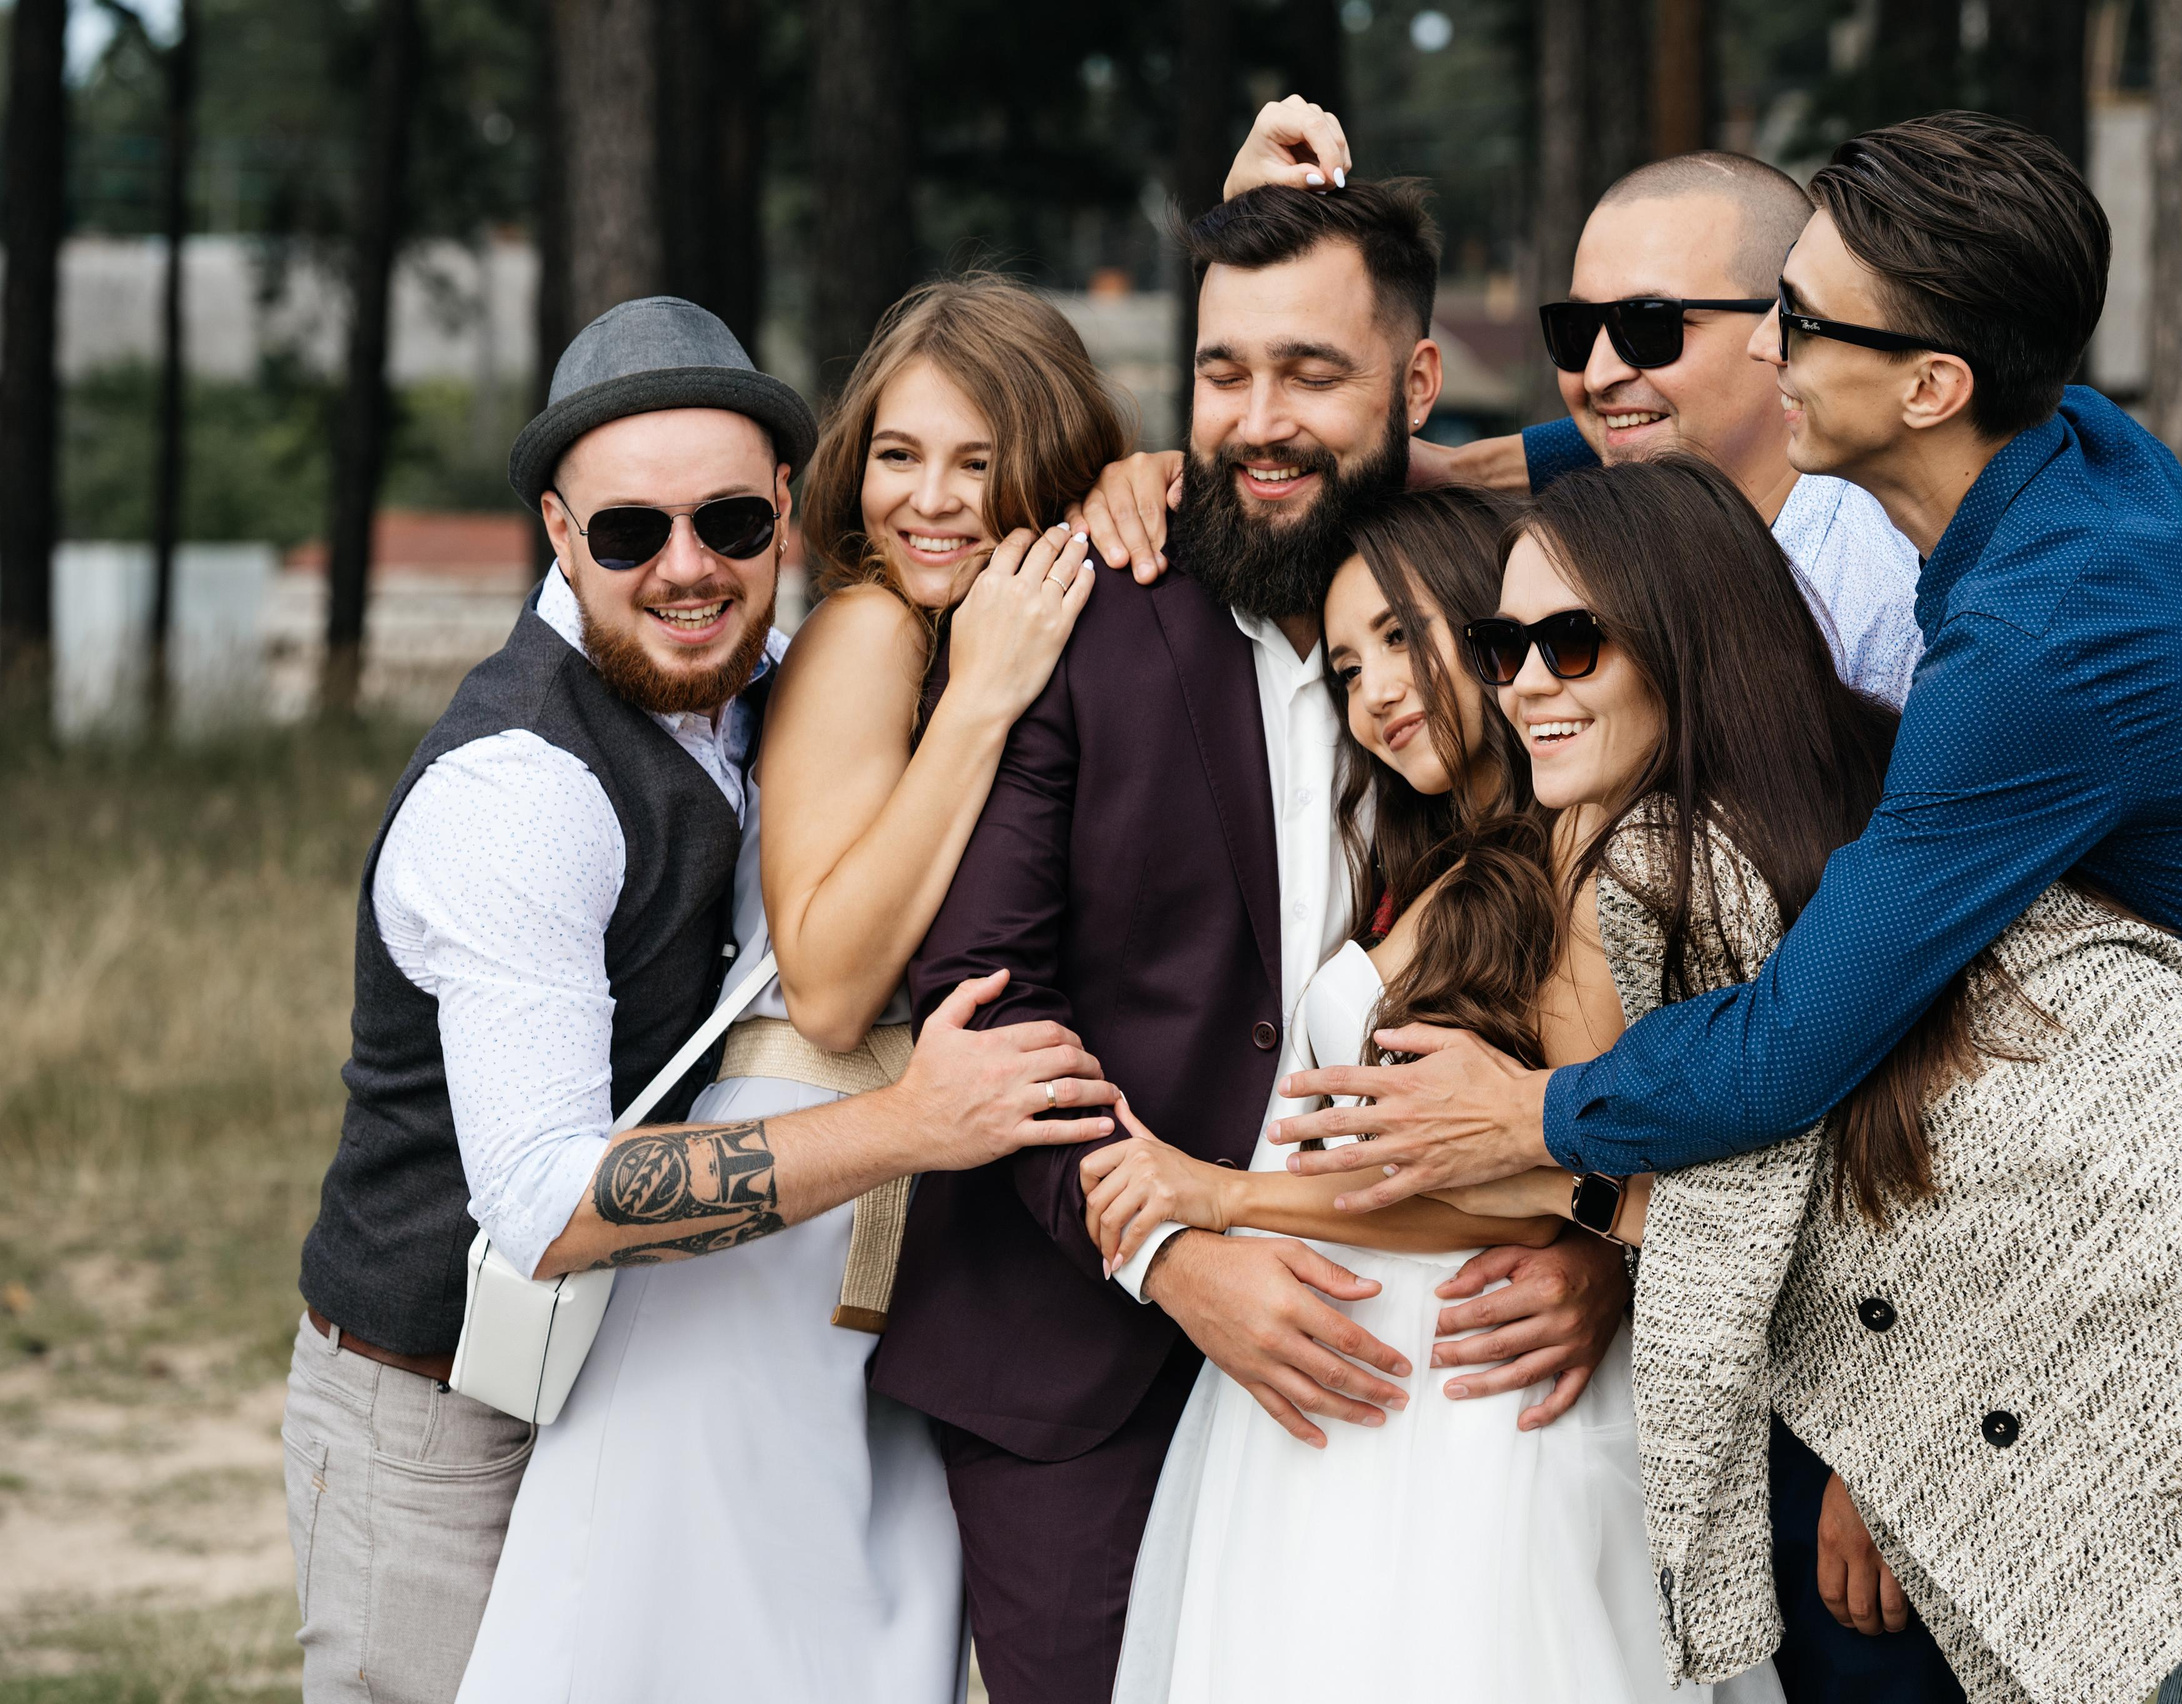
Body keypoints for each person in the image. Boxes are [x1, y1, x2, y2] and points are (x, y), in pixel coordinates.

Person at [1275, 115, 2182, 1702]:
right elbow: (1648, 452)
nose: (1763, 351)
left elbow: (1800, 1035)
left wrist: (1539, 1113)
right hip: (2156, 1226)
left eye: (1794, 326)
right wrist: (1453, 463)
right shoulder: (2065, 445)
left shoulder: (2042, 644)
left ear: (1931, 385)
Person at [1414, 452, 2182, 1701]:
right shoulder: (1858, 787)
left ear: (1679, 643)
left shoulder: (1673, 860)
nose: (1525, 683)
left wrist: (1519, 1138)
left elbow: (1748, 1196)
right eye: (1500, 645)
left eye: (1571, 643)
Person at [285, 295, 1121, 1704]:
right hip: (437, 1409)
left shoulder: (771, 682)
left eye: (730, 525)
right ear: (559, 535)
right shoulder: (519, 791)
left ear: (788, 510)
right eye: (629, 533)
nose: (686, 568)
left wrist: (1134, 477)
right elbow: (548, 1206)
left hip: (643, 1361)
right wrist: (911, 1126)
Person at [881, 180, 1635, 1704]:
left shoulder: (1517, 611)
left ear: (1417, 386)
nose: (1258, 419)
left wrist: (1599, 1249)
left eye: (1310, 372)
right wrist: (1169, 1248)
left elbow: (1623, 939)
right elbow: (984, 995)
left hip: (1444, 1353)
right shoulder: (1075, 610)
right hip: (1088, 1345)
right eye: (1223, 374)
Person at [1080, 488, 1784, 1704]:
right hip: (1349, 1375)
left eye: (1404, 639)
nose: (1377, 693)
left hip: (1466, 1393)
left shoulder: (1580, 850)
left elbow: (1521, 1193)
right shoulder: (1440, 864)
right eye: (1349, 667)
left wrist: (1212, 1194)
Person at [1079, 94, 1925, 708]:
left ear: (1779, 334)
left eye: (1649, 327)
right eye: (1575, 331)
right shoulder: (1572, 547)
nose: (1597, 374)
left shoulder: (1884, 595)